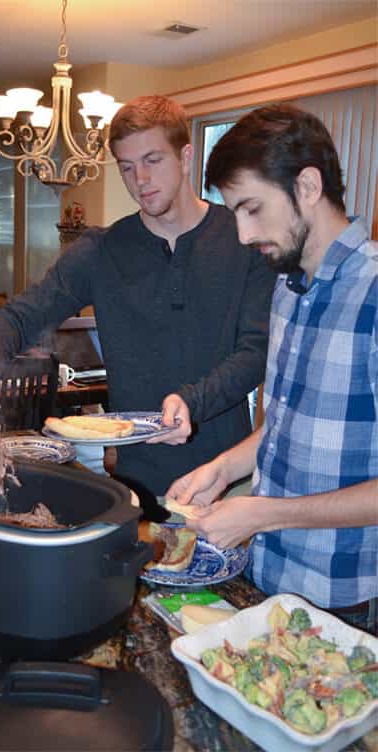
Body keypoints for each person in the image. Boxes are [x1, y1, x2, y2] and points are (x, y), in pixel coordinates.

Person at [0, 95, 276, 521]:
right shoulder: (101, 250)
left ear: (186, 155)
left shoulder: (244, 239)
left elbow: (258, 352)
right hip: (135, 483)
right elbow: (20, 315)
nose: (140, 178)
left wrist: (192, 401)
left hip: (228, 481)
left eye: (153, 160)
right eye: (125, 166)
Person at [167, 104, 377, 632]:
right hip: (268, 574)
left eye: (252, 208)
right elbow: (290, 425)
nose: (241, 234)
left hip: (343, 603)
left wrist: (263, 512)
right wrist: (227, 467)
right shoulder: (286, 288)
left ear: (307, 186)